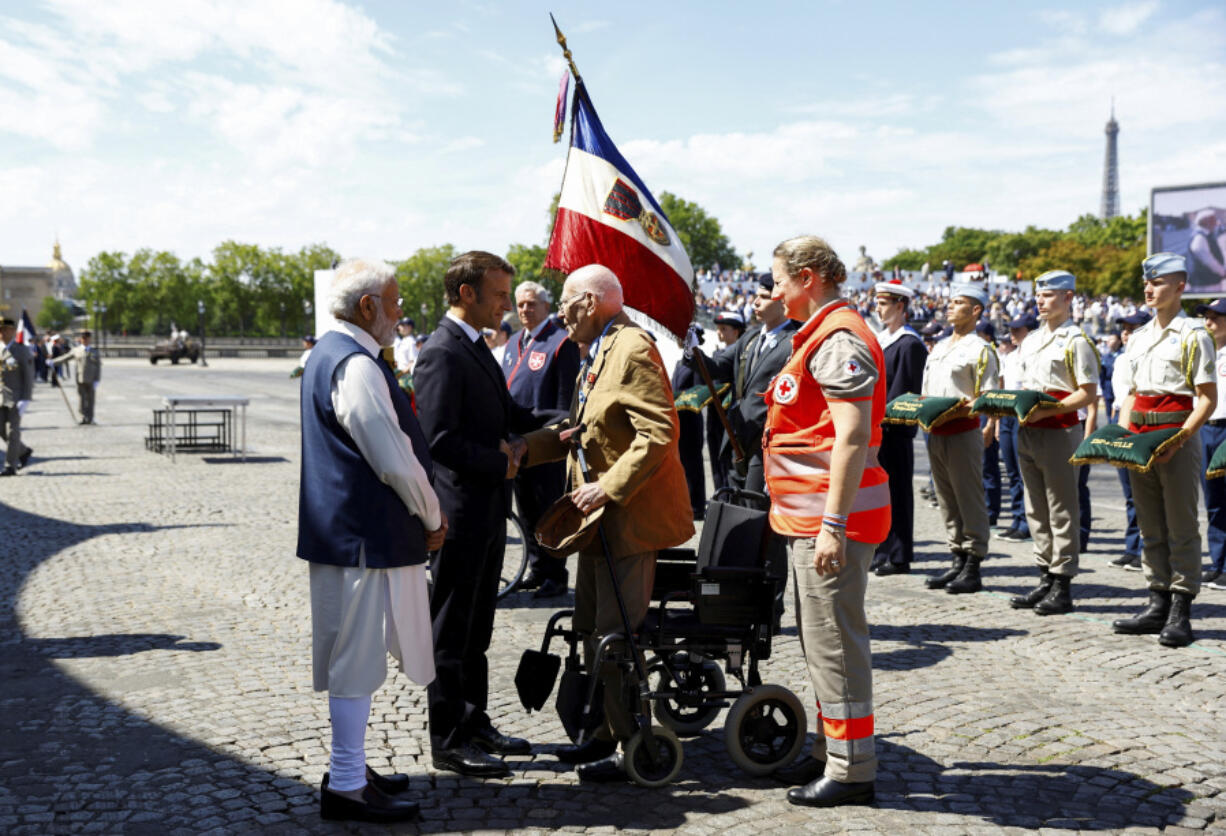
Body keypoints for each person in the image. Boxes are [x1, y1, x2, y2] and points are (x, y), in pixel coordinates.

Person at [521, 264, 693, 782]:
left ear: (591, 303)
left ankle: (633, 744)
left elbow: (659, 432)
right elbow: (579, 429)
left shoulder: (632, 347)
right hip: (598, 522)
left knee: (616, 637)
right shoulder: (598, 350)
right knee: (592, 631)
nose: (562, 317)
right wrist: (520, 452)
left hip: (628, 520)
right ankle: (600, 733)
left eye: (568, 305)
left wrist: (609, 485)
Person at [296, 258, 445, 824]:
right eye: (395, 299)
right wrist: (431, 513)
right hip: (364, 536)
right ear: (368, 308)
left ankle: (350, 768)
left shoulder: (329, 354)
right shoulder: (355, 365)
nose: (401, 310)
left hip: (345, 533)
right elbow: (394, 459)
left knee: (351, 659)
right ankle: (349, 784)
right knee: (356, 662)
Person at [759, 236, 887, 808]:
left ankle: (852, 768)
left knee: (835, 644)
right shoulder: (819, 336)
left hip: (831, 524)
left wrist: (832, 524)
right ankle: (831, 748)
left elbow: (852, 436)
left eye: (781, 279)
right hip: (810, 520)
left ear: (809, 277)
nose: (775, 291)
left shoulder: (837, 340)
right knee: (822, 643)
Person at [413, 250, 540, 777]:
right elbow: (437, 440)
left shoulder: (478, 346)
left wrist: (572, 421)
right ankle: (447, 737)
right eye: (499, 295)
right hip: (460, 514)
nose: (506, 304)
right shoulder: (442, 351)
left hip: (488, 510)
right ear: (467, 294)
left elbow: (512, 415)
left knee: (479, 628)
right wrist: (499, 464)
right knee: (451, 629)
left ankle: (474, 719)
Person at [1113, 253, 1216, 647]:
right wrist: (1124, 437)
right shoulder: (1138, 336)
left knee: (1182, 526)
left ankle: (1181, 608)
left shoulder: (1193, 335)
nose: (1149, 289)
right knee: (1149, 524)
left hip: (1175, 436)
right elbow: (1133, 394)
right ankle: (1156, 600)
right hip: (1141, 438)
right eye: (1146, 283)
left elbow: (1207, 398)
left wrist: (1180, 439)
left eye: (1158, 282)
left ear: (1180, 287)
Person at [1008, 271, 1100, 616]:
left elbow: (1087, 393)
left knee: (1061, 508)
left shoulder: (1075, 340)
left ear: (1068, 298)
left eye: (1048, 295)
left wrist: (1051, 410)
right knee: (1036, 507)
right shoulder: (1030, 340)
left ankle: (1062, 581)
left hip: (1060, 430)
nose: (1040, 301)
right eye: (1038, 296)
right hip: (1029, 429)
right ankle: (1044, 574)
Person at [501, 280, 581, 598]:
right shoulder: (513, 343)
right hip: (516, 441)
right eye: (520, 304)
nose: (525, 309)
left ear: (547, 307)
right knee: (527, 509)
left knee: (548, 508)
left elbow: (564, 401)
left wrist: (553, 437)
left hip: (545, 442)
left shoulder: (561, 342)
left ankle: (555, 573)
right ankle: (537, 568)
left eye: (532, 303)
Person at [921, 284, 999, 594]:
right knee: (946, 499)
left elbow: (987, 396)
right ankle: (956, 556)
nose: (950, 307)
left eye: (959, 302)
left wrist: (957, 413)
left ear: (976, 310)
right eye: (950, 302)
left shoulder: (980, 349)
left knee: (969, 497)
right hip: (935, 432)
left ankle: (973, 562)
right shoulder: (939, 347)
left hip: (962, 431)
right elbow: (928, 392)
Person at [694, 276, 801, 495]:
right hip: (738, 436)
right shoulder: (751, 337)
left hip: (766, 441)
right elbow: (717, 368)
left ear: (782, 302)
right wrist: (691, 349)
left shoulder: (796, 339)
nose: (755, 302)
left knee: (754, 506)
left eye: (763, 297)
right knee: (735, 502)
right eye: (755, 296)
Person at [871, 280, 926, 575]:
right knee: (880, 493)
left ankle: (899, 554)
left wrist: (885, 421)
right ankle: (882, 548)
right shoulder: (883, 340)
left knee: (898, 492)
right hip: (878, 427)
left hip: (894, 429)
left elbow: (904, 391)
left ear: (900, 306)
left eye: (884, 303)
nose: (878, 309)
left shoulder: (910, 343)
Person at [1109, 311, 1150, 569]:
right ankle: (1132, 547)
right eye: (1124, 328)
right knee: (1129, 492)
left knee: (1145, 491)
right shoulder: (1120, 359)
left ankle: (1147, 547)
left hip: (1141, 422)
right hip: (1120, 420)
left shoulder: (1147, 357)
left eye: (1133, 328)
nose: (1126, 333)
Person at [997, 313, 1038, 543]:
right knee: (1012, 471)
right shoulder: (1010, 357)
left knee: (1024, 473)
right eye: (1011, 330)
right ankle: (1016, 518)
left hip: (1023, 413)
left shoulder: (1033, 356)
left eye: (1017, 330)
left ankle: (1026, 521)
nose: (1012, 334)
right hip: (1008, 413)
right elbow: (1003, 387)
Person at [1195, 298, 1226, 590]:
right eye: (1207, 316)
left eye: (1216, 317)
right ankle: (1218, 563)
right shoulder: (1204, 353)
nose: (1209, 322)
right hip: (1206, 429)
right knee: (1214, 501)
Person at [0, 318, 35, 475]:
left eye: (4, 329)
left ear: (12, 331)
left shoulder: (20, 350)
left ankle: (10, 465)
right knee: (2, 431)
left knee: (13, 431)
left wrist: (26, 398)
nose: (1, 333)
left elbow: (28, 375)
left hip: (15, 395)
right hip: (1, 396)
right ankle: (23, 451)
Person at [46, 330, 102, 424]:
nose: (85, 340)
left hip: (91, 379)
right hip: (80, 378)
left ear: (90, 339)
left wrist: (97, 379)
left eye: (87, 339)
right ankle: (83, 417)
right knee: (82, 399)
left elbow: (98, 367)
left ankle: (90, 418)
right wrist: (53, 361)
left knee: (91, 399)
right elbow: (65, 358)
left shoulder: (94, 351)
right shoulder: (77, 350)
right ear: (81, 339)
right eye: (84, 338)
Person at [1188, 209, 1226, 287]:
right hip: (1205, 282)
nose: (1216, 223)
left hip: (1208, 280)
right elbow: (1207, 259)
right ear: (1206, 221)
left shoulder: (1206, 234)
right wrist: (1222, 272)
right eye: (1214, 220)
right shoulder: (1200, 237)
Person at [392, 318, 417, 385]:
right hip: (400, 375)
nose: (400, 327)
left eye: (403, 325)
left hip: (407, 377)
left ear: (409, 327)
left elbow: (413, 362)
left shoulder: (411, 342)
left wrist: (401, 373)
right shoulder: (403, 340)